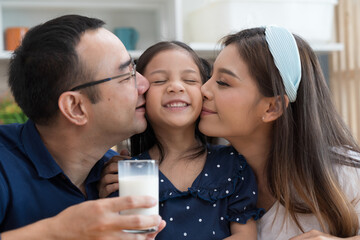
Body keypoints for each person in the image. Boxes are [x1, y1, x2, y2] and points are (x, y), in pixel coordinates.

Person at [0, 14, 165, 239]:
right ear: (76, 107)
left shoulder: (113, 176)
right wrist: (57, 232)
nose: (145, 84)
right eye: (128, 75)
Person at [199, 25, 360, 239]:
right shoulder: (204, 176)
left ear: (272, 107)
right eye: (209, 77)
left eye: (223, 82)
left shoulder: (345, 172)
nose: (203, 89)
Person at [99, 41, 264, 240]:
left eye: (190, 80)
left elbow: (245, 236)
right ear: (141, 95)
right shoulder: (129, 174)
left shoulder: (232, 164)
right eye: (159, 81)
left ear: (204, 92)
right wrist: (106, 206)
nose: (175, 87)